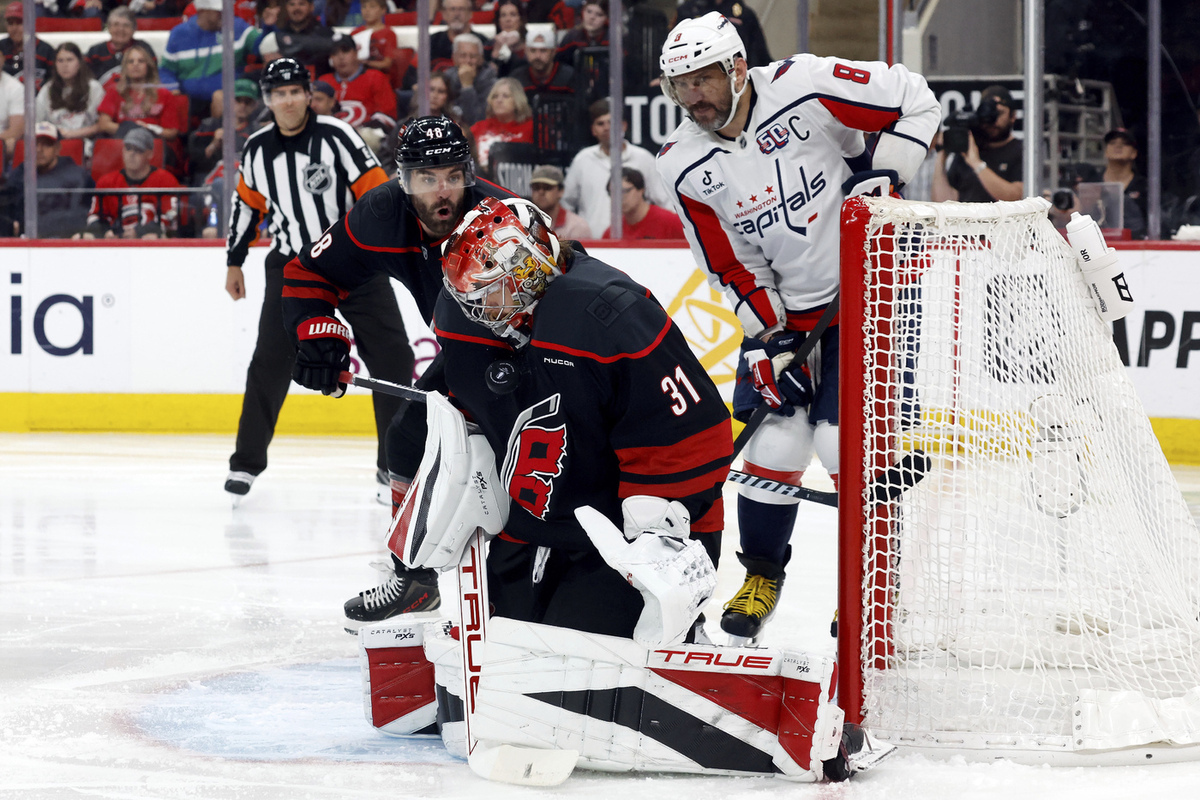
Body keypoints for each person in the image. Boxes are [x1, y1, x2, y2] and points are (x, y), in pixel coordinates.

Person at [654, 12, 939, 642]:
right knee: (772, 448)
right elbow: (729, 262)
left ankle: (870, 590)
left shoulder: (804, 86)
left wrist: (887, 171)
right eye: (680, 84)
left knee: (849, 449)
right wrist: (769, 335)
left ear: (735, 68)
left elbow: (917, 101)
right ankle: (762, 574)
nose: (692, 95)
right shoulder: (681, 163)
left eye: (703, 78)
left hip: (872, 291)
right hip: (790, 314)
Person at [430, 196, 731, 638]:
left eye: (494, 291)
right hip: (533, 527)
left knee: (588, 657)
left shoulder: (607, 313)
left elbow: (695, 433)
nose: (483, 310)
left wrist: (654, 536)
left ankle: (689, 635)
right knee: (505, 653)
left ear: (531, 266)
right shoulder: (465, 317)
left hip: (622, 535)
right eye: (474, 296)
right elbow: (457, 405)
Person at [278, 117, 514, 629]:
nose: (442, 191)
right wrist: (317, 330)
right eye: (428, 178)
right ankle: (414, 582)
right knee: (407, 438)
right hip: (465, 351)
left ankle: (526, 590)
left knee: (521, 469)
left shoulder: (502, 217)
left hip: (532, 355)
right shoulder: (380, 215)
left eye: (453, 175)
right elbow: (307, 273)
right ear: (403, 180)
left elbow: (566, 281)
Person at [223, 57, 404, 505]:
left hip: (353, 262)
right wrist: (234, 260)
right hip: (292, 269)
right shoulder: (257, 148)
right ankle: (245, 464)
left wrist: (389, 249)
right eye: (277, 93)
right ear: (268, 100)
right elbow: (246, 206)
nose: (286, 100)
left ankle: (393, 467)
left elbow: (377, 190)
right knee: (269, 362)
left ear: (309, 94)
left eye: (294, 91)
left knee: (394, 360)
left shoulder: (338, 136)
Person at [563, 97, 668, 240]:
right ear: (593, 130)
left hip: (635, 244)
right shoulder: (582, 159)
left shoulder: (643, 158)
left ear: (623, 126)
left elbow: (665, 201)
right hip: (591, 244)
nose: (607, 127)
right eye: (600, 123)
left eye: (611, 122)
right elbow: (566, 203)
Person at [160, 0, 262, 123]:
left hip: (229, 97)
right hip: (189, 100)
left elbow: (262, 46)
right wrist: (174, 91)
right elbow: (166, 70)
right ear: (202, 11)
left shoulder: (237, 27)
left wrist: (268, 26)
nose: (224, 15)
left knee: (223, 99)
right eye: (218, 12)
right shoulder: (179, 34)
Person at [83, 127, 182, 239]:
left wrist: (140, 231)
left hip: (148, 239)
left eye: (138, 150)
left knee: (152, 237)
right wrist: (107, 232)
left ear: (150, 154)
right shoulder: (106, 182)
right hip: (115, 238)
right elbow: (94, 216)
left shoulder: (165, 180)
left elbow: (171, 216)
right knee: (88, 236)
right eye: (128, 149)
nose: (132, 154)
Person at [932, 84, 1023, 203]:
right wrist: (941, 156)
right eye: (987, 114)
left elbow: (1016, 196)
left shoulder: (1022, 150)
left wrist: (977, 164)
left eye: (999, 113)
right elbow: (944, 202)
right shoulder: (969, 149)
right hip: (967, 220)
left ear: (1013, 116)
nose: (992, 120)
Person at [0, 122, 93, 238]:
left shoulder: (76, 176)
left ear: (57, 148)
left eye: (46, 145)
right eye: (35, 144)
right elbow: (8, 209)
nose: (39, 150)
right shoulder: (19, 174)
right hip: (24, 240)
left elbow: (79, 217)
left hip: (64, 240)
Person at [317, 35, 397, 154]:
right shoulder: (323, 82)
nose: (341, 57)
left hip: (365, 137)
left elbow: (387, 117)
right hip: (330, 136)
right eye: (335, 53)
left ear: (356, 53)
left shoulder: (375, 77)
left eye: (345, 51)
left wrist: (359, 130)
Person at [96, 42, 183, 145]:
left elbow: (171, 132)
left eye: (141, 61)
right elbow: (103, 124)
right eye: (130, 61)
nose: (135, 64)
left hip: (154, 144)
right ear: (125, 67)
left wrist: (148, 130)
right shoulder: (114, 91)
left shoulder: (164, 94)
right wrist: (134, 130)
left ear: (148, 66)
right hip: (122, 143)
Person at [36, 44, 106, 143]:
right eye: (60, 61)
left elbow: (101, 124)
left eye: (69, 60)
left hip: (86, 142)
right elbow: (37, 123)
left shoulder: (94, 88)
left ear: (79, 63)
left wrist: (72, 134)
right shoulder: (47, 89)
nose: (65, 65)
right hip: (53, 142)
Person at [675, 0, 772, 68]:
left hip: (740, 70)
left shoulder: (744, 13)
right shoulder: (687, 11)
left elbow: (760, 52)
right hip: (699, 70)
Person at [470, 77, 533, 174]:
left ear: (517, 99)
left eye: (506, 96)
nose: (499, 100)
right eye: (495, 96)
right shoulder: (479, 127)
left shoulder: (531, 128)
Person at [602, 167, 683, 240]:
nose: (619, 198)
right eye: (613, 193)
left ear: (641, 190)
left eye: (624, 191)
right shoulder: (612, 233)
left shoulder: (671, 223)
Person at [351, 0, 415, 91]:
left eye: (372, 7)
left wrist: (366, 63)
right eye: (364, 7)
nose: (367, 10)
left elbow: (387, 64)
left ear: (383, 10)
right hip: (357, 77)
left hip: (381, 79)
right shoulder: (355, 33)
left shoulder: (389, 33)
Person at [509, 27, 578, 106]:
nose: (537, 56)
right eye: (533, 50)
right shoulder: (517, 79)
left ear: (553, 52)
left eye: (543, 50)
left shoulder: (570, 77)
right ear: (526, 51)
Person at [1099, 127, 1147, 239]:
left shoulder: (1144, 186)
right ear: (1106, 151)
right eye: (1112, 142)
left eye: (1125, 143)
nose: (1118, 146)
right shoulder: (1091, 183)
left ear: (1134, 153)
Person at [443, 33, 497, 127]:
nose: (468, 61)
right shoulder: (445, 79)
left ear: (481, 59)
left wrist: (467, 86)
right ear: (454, 58)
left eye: (473, 56)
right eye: (463, 56)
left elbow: (475, 121)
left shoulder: (492, 85)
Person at [273, 0, 336, 77]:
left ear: (311, 7)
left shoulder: (325, 34)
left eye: (301, 4)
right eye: (292, 4)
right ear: (286, 7)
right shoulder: (280, 33)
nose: (296, 8)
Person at [0, 3, 55, 90]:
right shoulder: (1, 48)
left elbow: (55, 83)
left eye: (19, 23)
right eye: (10, 23)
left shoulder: (46, 51)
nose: (14, 28)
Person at [529, 163, 591, 239]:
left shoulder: (577, 227)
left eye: (547, 187)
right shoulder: (524, 223)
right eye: (536, 187)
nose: (541, 192)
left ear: (561, 191)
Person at [429, 0, 491, 70]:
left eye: (461, 9)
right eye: (452, 9)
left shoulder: (483, 42)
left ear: (470, 13)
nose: (457, 14)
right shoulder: (432, 41)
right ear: (443, 14)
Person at [489, 0, 526, 78]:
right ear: (499, 21)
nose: (508, 20)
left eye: (513, 15)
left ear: (521, 20)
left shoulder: (531, 46)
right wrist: (496, 55)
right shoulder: (488, 47)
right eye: (503, 15)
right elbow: (488, 78)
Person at [0, 50, 23, 152]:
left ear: (3, 60)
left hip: (2, 139)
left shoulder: (15, 87)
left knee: (11, 143)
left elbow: (16, 131)